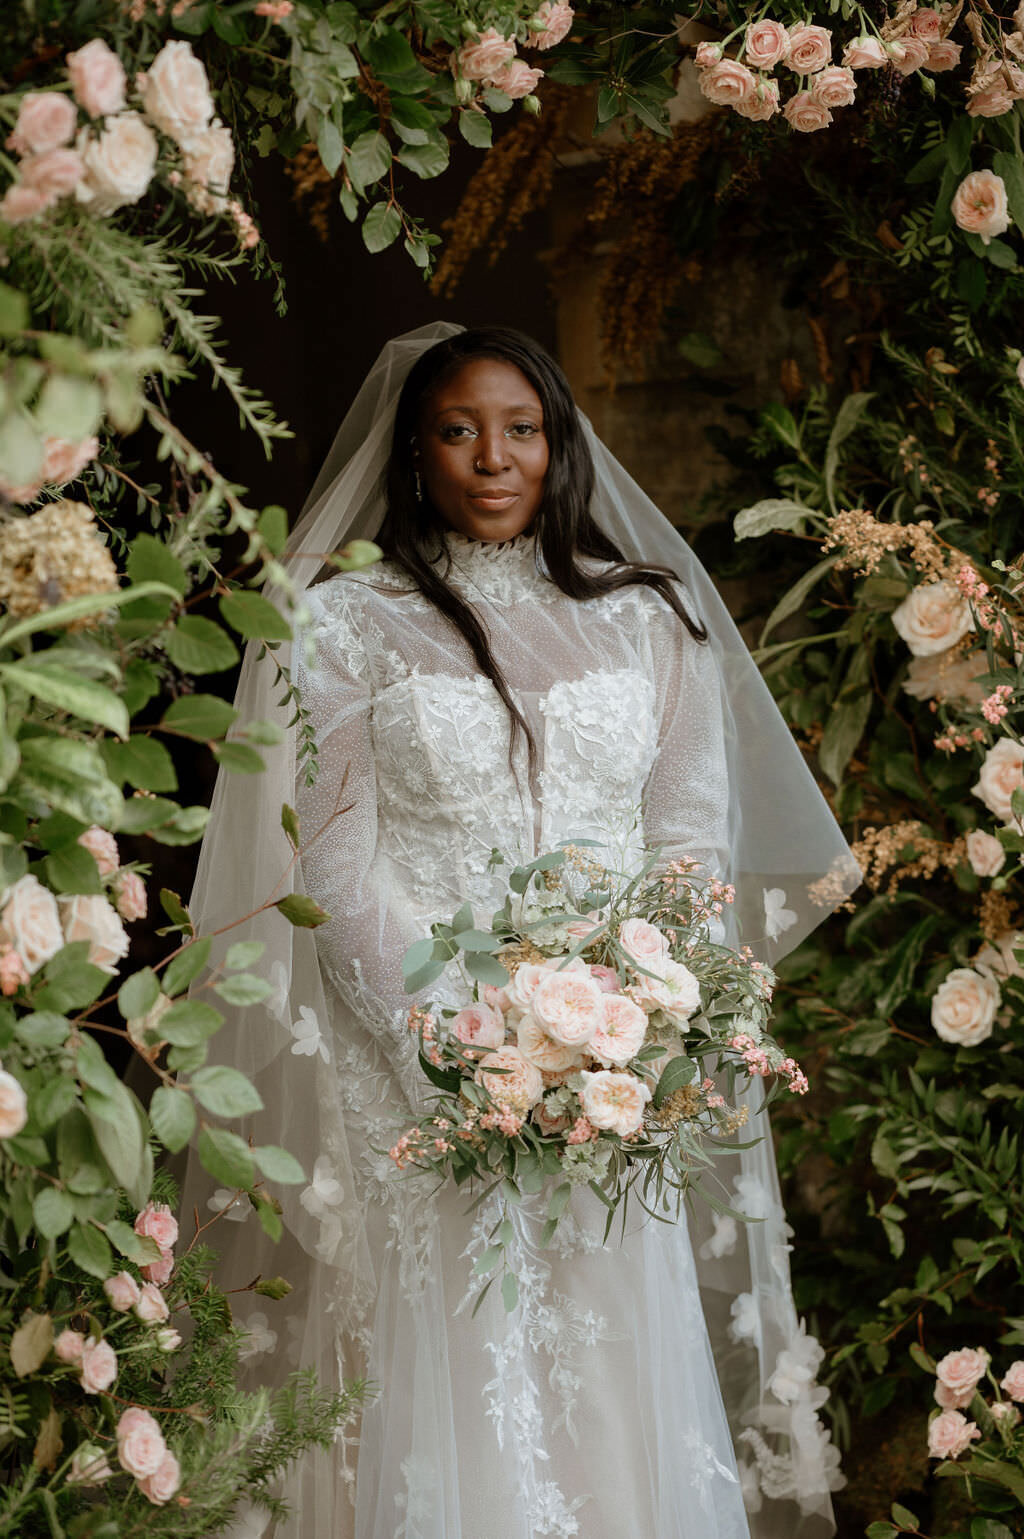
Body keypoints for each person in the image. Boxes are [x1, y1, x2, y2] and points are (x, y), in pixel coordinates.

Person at [184, 324, 861, 1539]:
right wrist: (451, 1044)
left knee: (612, 1360)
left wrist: (635, 1023)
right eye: (457, 431)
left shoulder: (652, 621)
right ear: (413, 455)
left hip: (614, 1067)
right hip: (423, 1066)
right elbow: (329, 857)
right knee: (446, 1357)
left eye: (520, 430)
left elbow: (690, 843)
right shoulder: (344, 619)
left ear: (557, 446)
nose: (492, 459)